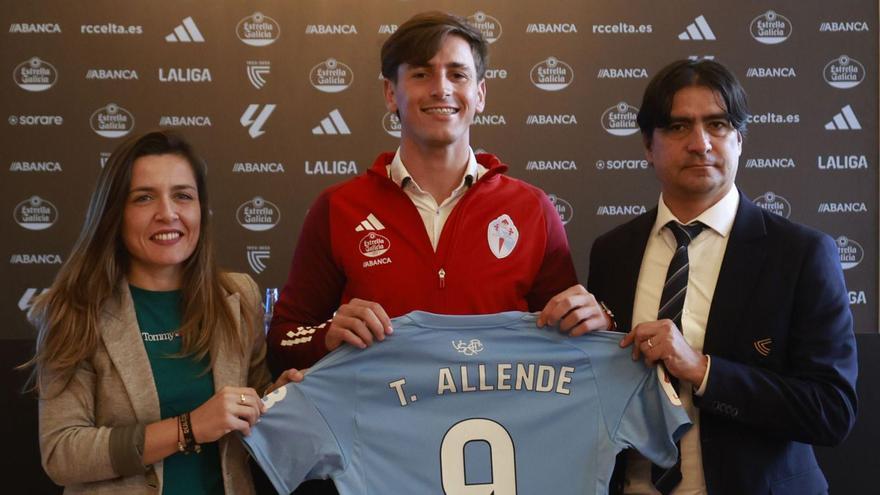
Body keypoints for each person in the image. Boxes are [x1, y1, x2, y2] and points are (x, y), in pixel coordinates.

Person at [563, 59, 858, 494]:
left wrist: (703, 371)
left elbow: (832, 411)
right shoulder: (613, 251)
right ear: (648, 146)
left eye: (717, 125)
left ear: (739, 140)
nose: (700, 143)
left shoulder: (800, 254)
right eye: (678, 127)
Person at [267, 11, 611, 375]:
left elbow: (570, 346)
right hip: (376, 413)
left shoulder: (532, 208)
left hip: (502, 412)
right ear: (390, 94)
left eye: (458, 74)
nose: (441, 88)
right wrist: (326, 337)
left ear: (479, 94)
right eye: (421, 74)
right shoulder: (338, 207)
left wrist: (599, 320)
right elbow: (282, 343)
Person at [23, 130, 299, 494]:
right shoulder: (74, 308)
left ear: (201, 209)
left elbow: (249, 405)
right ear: (115, 214)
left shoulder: (237, 296)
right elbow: (62, 453)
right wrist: (188, 428)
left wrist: (278, 398)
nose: (168, 214)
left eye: (183, 196)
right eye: (144, 198)